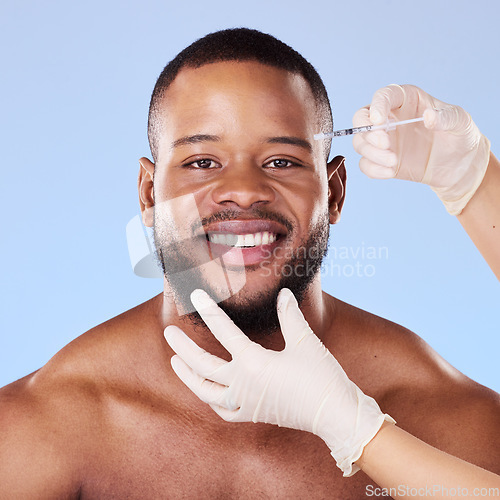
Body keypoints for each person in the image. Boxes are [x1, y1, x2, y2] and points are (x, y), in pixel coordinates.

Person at [0, 28, 498, 499]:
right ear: (150, 194)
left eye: (281, 161)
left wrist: (476, 179)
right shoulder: (39, 429)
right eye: (202, 162)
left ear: (335, 193)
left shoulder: (451, 423)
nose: (243, 189)